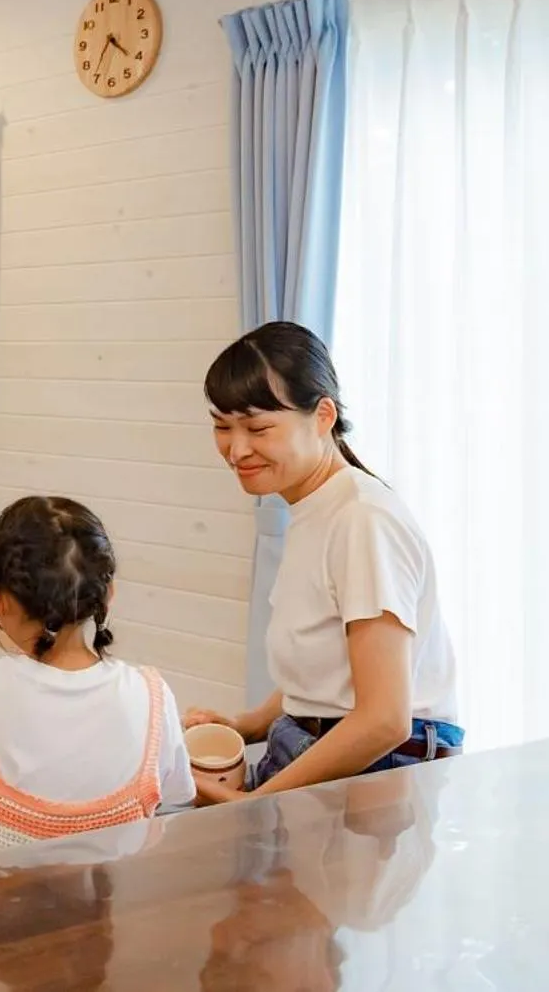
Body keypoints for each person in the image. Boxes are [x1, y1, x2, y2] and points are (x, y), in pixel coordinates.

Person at [184, 321, 461, 804]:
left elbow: (384, 720)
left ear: (323, 416)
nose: (236, 448)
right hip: (315, 740)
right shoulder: (318, 506)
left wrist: (256, 803)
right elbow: (326, 667)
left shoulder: (362, 518)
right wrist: (245, 725)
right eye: (222, 427)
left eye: (258, 427)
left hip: (382, 766)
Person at [0, 496, 194, 857]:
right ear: (107, 594)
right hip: (108, 912)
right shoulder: (152, 694)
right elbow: (179, 792)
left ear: (0, 602)